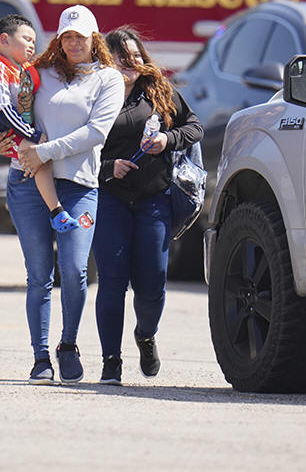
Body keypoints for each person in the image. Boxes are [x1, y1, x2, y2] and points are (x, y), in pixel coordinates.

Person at [0, 5, 124, 384]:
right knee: (38, 274)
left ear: (94, 38)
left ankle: (68, 344)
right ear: (59, 40)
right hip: (27, 182)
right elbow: (5, 112)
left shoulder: (108, 79)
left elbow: (96, 133)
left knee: (75, 270)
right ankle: (40, 358)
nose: (74, 43)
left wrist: (44, 152)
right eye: (67, 37)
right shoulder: (38, 73)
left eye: (81, 36)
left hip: (79, 186)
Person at [93, 27, 203, 385]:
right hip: (109, 197)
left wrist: (167, 140)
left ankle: (145, 335)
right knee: (112, 281)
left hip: (154, 199)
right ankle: (111, 361)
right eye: (122, 57)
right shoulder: (93, 94)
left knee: (152, 283)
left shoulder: (158, 92)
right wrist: (109, 167)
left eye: (136, 56)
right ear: (107, 61)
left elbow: (194, 127)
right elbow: (76, 148)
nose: (131, 63)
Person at [0, 14, 79, 233]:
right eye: (27, 39)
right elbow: (5, 111)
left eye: (34, 41)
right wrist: (33, 134)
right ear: (5, 40)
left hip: (20, 130)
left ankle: (52, 209)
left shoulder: (24, 68)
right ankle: (57, 212)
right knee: (38, 154)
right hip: (5, 131)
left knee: (42, 157)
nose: (32, 45)